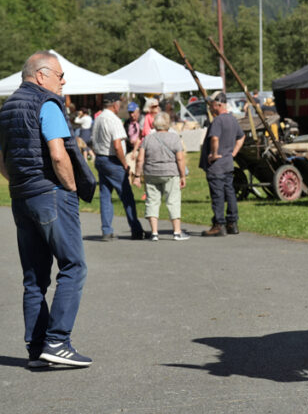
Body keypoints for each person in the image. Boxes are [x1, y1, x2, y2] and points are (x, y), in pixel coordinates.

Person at [0, 51, 95, 367]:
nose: (63, 80)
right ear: (41, 75)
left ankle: (37, 349)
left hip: (21, 195)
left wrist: (20, 181)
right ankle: (57, 341)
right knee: (73, 266)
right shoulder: (47, 102)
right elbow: (58, 154)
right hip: (50, 193)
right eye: (59, 74)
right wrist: (69, 186)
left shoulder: (8, 106)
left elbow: (2, 158)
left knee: (34, 277)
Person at [92, 93, 144, 241]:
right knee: (126, 196)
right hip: (113, 160)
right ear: (114, 104)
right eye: (119, 104)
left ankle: (106, 230)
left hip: (101, 158)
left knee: (105, 195)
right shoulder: (113, 120)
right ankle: (136, 229)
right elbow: (117, 145)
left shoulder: (99, 118)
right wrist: (125, 163)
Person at [133, 112, 189, 241]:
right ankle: (177, 232)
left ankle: (154, 233)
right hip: (170, 173)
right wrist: (182, 176)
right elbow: (180, 159)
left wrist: (137, 175)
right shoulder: (174, 138)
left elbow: (140, 159)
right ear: (168, 123)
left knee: (152, 201)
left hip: (151, 173)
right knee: (173, 200)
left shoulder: (147, 138)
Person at [199, 91, 245, 237]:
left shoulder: (218, 121)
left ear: (218, 104)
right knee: (230, 192)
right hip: (228, 163)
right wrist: (234, 152)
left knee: (218, 195)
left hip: (217, 165)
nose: (211, 107)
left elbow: (214, 138)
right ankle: (232, 223)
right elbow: (241, 136)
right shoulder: (232, 119)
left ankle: (219, 225)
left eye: (212, 104)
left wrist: (213, 154)